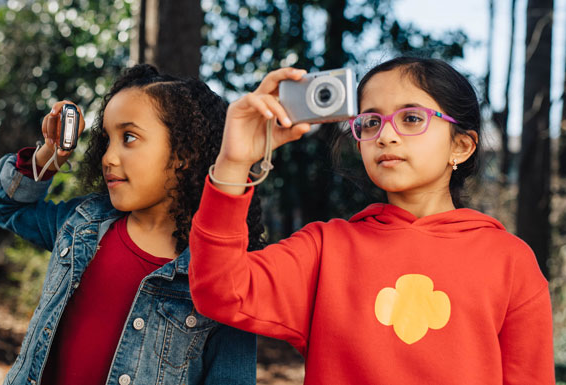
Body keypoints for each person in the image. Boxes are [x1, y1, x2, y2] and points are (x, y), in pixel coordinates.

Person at [188, 57, 555, 384]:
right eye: (370, 122)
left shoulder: (510, 261)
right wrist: (235, 162)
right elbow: (220, 290)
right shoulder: (324, 250)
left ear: (460, 146)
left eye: (411, 118)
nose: (386, 136)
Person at [0, 64, 264, 385]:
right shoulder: (83, 223)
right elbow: (11, 208)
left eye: (129, 137)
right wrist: (50, 153)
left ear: (184, 153)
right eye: (107, 140)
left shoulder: (222, 278)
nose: (108, 157)